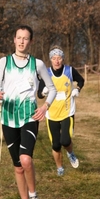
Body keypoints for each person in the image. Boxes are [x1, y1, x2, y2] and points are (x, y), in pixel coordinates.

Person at [0, 25, 57, 199]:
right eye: (18, 38)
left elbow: (52, 89)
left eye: (25, 38)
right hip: (9, 118)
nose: (21, 41)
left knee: (26, 159)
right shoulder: (4, 62)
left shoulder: (37, 64)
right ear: (14, 39)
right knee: (18, 166)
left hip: (30, 117)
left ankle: (34, 196)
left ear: (31, 41)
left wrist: (45, 107)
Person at [37, 45, 84, 176]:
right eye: (54, 58)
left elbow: (81, 80)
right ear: (50, 59)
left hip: (67, 112)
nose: (57, 61)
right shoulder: (46, 73)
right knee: (56, 145)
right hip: (51, 114)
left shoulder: (69, 70)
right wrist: (43, 91)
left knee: (65, 141)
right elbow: (39, 94)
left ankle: (70, 153)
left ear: (62, 59)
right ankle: (60, 167)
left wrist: (77, 89)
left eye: (59, 58)